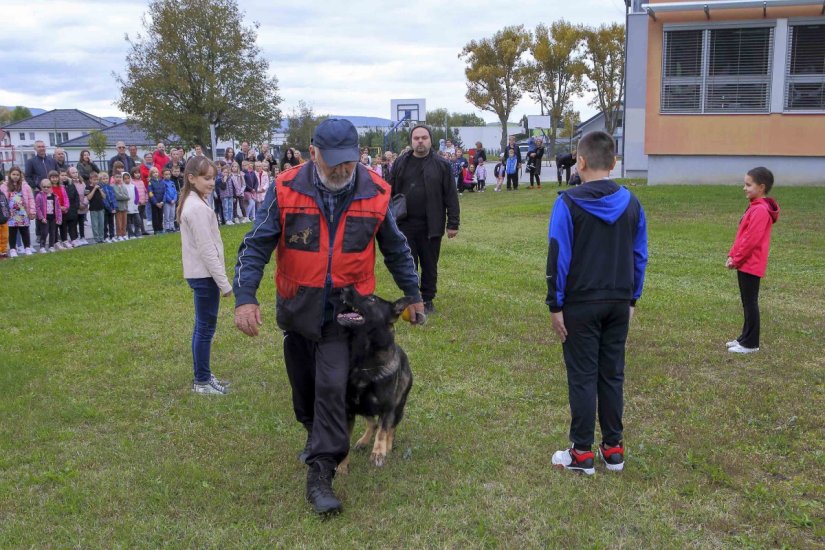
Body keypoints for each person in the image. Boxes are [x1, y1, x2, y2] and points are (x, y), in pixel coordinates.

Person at [232, 118, 424, 516]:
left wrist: (415, 294)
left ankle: (321, 474)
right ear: (313, 153)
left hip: (348, 312)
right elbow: (255, 246)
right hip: (299, 309)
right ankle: (314, 434)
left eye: (349, 161)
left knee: (334, 388)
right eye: (333, 161)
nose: (342, 170)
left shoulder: (375, 191)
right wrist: (245, 297)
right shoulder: (285, 189)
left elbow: (397, 249)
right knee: (305, 393)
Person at [546, 131, 648, 475]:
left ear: (581, 161)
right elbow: (640, 255)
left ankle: (581, 453)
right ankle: (613, 449)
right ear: (614, 162)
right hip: (618, 302)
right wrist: (633, 298)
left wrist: (555, 305)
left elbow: (558, 256)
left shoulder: (568, 202)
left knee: (582, 376)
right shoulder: (633, 203)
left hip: (580, 304)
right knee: (611, 375)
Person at [387, 124, 460, 314]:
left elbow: (451, 196)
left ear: (430, 140)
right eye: (416, 138)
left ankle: (427, 300)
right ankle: (412, 299)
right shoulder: (400, 163)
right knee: (409, 264)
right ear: (411, 141)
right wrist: (386, 218)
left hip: (432, 224)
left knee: (429, 264)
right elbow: (389, 191)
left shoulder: (442, 165)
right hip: (404, 224)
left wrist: (453, 223)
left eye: (424, 137)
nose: (420, 141)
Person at [178, 156, 233, 394]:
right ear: (191, 179)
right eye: (206, 178)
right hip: (204, 276)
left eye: (213, 177)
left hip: (202, 275)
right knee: (205, 328)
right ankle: (201, 381)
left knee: (203, 327)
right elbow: (207, 250)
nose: (212, 182)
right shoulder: (197, 208)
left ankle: (204, 375)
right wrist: (224, 284)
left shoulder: (195, 202)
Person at [725, 167, 780, 354]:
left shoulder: (761, 211)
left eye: (748, 185)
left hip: (751, 264)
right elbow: (742, 235)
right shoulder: (754, 206)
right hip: (745, 262)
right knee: (746, 302)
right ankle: (744, 337)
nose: (744, 188)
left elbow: (751, 241)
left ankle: (751, 344)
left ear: (761, 187)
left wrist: (736, 259)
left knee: (750, 303)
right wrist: (732, 255)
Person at [1, 167, 36, 256]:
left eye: (17, 175)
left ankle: (27, 247)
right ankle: (13, 249)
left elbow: (31, 199)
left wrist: (32, 211)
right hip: (10, 214)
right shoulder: (4, 186)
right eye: (13, 174)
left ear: (20, 176)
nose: (15, 176)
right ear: (9, 175)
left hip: (23, 213)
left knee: (24, 231)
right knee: (12, 232)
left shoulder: (25, 186)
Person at [35, 178, 61, 253]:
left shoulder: (54, 196)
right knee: (44, 232)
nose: (46, 188)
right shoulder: (39, 196)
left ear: (51, 187)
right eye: (44, 187)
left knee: (53, 232)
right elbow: (38, 208)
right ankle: (42, 247)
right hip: (44, 218)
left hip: (53, 217)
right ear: (41, 187)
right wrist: (41, 217)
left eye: (48, 187)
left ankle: (51, 246)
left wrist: (59, 218)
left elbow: (58, 208)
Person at [85, 172, 106, 244]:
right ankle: (96, 238)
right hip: (93, 209)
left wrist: (99, 189)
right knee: (95, 224)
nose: (96, 181)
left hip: (101, 208)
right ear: (90, 180)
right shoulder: (87, 187)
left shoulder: (100, 187)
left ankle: (101, 238)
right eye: (94, 180)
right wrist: (94, 189)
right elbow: (88, 198)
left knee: (101, 224)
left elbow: (104, 196)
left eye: (97, 180)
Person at [122, 172, 141, 239]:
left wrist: (136, 203)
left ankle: (137, 232)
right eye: (125, 179)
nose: (127, 180)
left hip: (134, 206)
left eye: (128, 178)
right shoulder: (122, 187)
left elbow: (137, 195)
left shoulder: (133, 186)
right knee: (128, 222)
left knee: (138, 220)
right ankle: (131, 234)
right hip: (126, 206)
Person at [100, 172, 117, 243]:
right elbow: (104, 200)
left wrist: (114, 207)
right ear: (100, 180)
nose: (105, 180)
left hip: (112, 208)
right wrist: (109, 208)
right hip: (105, 209)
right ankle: (105, 236)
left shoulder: (110, 187)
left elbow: (113, 198)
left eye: (106, 178)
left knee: (111, 223)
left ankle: (112, 236)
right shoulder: (101, 188)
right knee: (105, 223)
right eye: (103, 179)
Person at [148, 167, 166, 234]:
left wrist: (162, 202)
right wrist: (156, 202)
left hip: (161, 203)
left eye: (156, 172)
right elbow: (150, 193)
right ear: (151, 174)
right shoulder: (150, 182)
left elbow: (165, 192)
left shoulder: (162, 181)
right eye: (153, 172)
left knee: (160, 216)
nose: (155, 174)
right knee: (155, 217)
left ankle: (161, 229)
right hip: (154, 203)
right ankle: (156, 230)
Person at [112, 172, 130, 241]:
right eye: (117, 177)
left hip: (124, 207)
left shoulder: (123, 186)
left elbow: (127, 196)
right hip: (118, 207)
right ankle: (119, 234)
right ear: (114, 178)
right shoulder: (113, 187)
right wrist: (125, 197)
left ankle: (124, 234)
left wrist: (124, 196)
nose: (118, 179)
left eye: (120, 177)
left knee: (124, 222)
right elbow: (118, 196)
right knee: (119, 222)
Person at [162, 168, 178, 233]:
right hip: (167, 202)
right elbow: (164, 192)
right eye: (166, 174)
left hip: (173, 202)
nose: (168, 176)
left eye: (169, 174)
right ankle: (167, 227)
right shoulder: (163, 183)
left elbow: (175, 192)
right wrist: (169, 200)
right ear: (163, 175)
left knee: (172, 215)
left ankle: (172, 227)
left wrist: (174, 199)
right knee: (167, 215)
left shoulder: (172, 183)